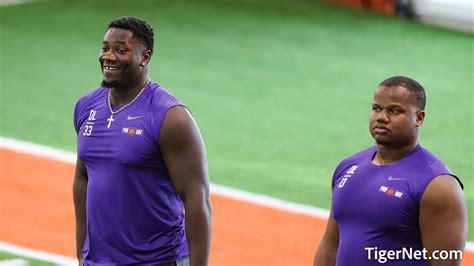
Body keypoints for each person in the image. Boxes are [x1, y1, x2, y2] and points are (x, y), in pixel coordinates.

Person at [73, 17, 211, 266]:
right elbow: (82, 176)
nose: (109, 57)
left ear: (145, 57)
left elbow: (196, 198)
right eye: (105, 48)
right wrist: (81, 251)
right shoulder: (86, 107)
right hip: (100, 261)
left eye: (121, 50)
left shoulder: (170, 117)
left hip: (157, 260)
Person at [314, 76, 467, 265]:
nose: (381, 117)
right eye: (376, 108)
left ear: (419, 118)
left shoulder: (438, 186)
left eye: (394, 111)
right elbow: (331, 246)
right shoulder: (347, 167)